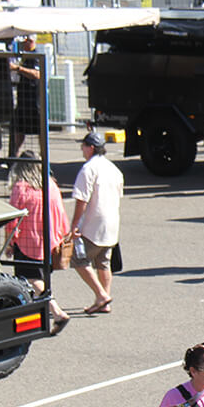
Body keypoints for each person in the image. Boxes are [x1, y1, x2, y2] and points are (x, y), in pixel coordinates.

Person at [4, 151, 70, 334]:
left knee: (33, 280)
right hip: (50, 241)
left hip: (29, 242)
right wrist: (64, 234)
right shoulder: (51, 185)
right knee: (41, 279)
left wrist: (10, 241)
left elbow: (13, 218)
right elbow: (61, 213)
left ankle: (57, 313)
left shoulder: (21, 187)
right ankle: (40, 316)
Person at [70, 131, 124, 313]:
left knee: (78, 259)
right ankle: (104, 300)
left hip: (93, 224)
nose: (82, 149)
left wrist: (74, 225)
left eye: (83, 146)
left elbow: (81, 200)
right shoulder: (114, 169)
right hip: (112, 224)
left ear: (91, 148)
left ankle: (101, 294)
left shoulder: (88, 169)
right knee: (103, 262)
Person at [8, 35, 42, 158]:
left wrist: (18, 68)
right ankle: (14, 156)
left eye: (25, 42)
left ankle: (43, 157)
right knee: (18, 129)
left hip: (34, 101)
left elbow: (37, 74)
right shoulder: (25, 56)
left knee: (40, 130)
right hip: (22, 100)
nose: (23, 45)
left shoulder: (35, 56)